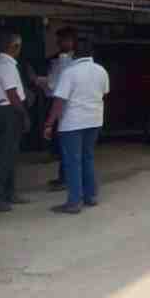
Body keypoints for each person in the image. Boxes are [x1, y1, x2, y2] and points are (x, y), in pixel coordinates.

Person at [42, 37, 109, 215]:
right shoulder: (101, 71)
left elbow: (59, 101)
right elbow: (104, 93)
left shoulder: (70, 72)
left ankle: (74, 202)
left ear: (74, 53)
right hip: (94, 121)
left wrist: (49, 123)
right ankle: (91, 196)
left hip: (72, 123)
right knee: (88, 158)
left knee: (73, 162)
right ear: (92, 52)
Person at [0, 32, 30, 212]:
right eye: (19, 46)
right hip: (8, 112)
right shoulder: (6, 66)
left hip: (0, 112)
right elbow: (12, 94)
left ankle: (9, 192)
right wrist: (24, 114)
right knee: (3, 156)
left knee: (8, 154)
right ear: (14, 47)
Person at [39, 28, 78, 190]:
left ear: (71, 41)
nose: (59, 44)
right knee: (62, 146)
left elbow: (56, 86)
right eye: (59, 40)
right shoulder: (57, 59)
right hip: (59, 106)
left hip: (67, 108)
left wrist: (41, 81)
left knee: (67, 148)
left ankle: (67, 180)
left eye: (62, 40)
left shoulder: (71, 61)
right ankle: (64, 178)